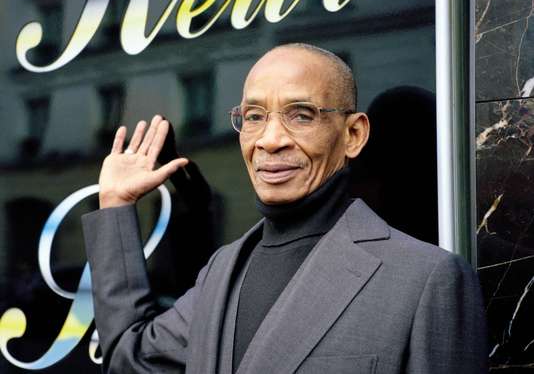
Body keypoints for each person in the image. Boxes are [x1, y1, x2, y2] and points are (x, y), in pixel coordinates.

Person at [82, 43, 489, 374]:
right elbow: (131, 358)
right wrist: (115, 204)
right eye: (254, 116)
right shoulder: (222, 270)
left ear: (353, 134)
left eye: (301, 115)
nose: (270, 140)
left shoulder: (426, 278)